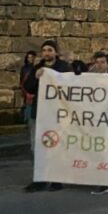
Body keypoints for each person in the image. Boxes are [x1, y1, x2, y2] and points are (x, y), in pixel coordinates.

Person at [23, 40, 72, 193]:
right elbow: (28, 88)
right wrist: (36, 77)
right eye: (44, 50)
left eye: (50, 50)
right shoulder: (38, 68)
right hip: (39, 113)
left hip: (58, 114)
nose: (46, 53)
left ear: (55, 52)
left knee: (58, 146)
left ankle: (58, 178)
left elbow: (72, 85)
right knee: (37, 147)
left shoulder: (64, 67)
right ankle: (40, 178)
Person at [20, 51, 38, 125]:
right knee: (27, 105)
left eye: (32, 57)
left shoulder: (36, 68)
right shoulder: (24, 68)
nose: (30, 59)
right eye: (28, 57)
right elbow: (22, 79)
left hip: (34, 91)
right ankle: (27, 120)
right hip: (26, 90)